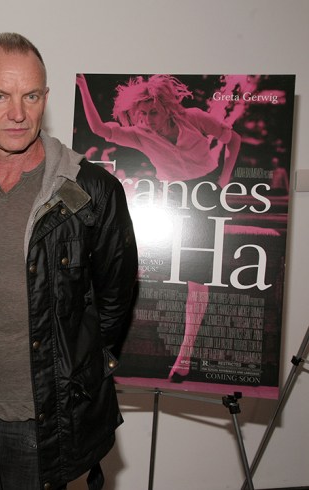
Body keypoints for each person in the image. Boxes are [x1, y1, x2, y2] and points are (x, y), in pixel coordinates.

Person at [0, 33, 138, 490]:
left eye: (30, 96)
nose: (17, 113)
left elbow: (115, 302)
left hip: (44, 423)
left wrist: (74, 374)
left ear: (45, 99)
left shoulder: (91, 191)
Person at [76, 74, 241, 382]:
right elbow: (99, 130)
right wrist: (84, 87)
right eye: (143, 113)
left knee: (197, 277)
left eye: (153, 112)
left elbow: (234, 139)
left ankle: (185, 355)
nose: (148, 119)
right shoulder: (139, 134)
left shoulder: (194, 118)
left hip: (206, 197)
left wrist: (224, 180)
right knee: (142, 267)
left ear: (166, 108)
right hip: (171, 200)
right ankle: (110, 351)